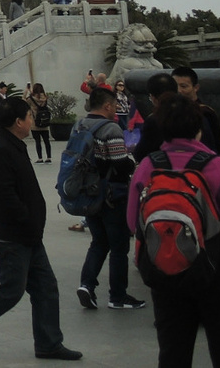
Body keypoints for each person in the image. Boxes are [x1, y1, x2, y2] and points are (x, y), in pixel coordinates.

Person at [0, 97, 82, 361]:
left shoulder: (13, 145)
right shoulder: (0, 150)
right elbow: (5, 197)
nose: (32, 120)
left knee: (45, 287)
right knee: (11, 290)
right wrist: (27, 217)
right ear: (18, 122)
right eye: (29, 116)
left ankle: (48, 343)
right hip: (12, 235)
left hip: (28, 234)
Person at [126, 92, 220, 366]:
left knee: (173, 352)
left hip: (165, 270)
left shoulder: (147, 167)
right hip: (217, 271)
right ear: (199, 128)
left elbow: (133, 223)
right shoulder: (219, 167)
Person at [72, 86, 145, 311]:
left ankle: (86, 285)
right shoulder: (110, 128)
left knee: (98, 242)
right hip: (112, 196)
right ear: (107, 106)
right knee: (119, 247)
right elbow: (120, 164)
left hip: (89, 195)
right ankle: (117, 296)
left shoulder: (79, 125)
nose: (116, 109)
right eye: (114, 105)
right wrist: (133, 162)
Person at [172, 66, 220, 163]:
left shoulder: (202, 113)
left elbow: (208, 146)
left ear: (196, 88)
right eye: (175, 86)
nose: (179, 91)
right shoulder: (169, 112)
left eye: (184, 86)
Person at [29, 85, 53, 163]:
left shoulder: (31, 99)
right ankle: (49, 157)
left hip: (35, 123)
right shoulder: (45, 97)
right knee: (47, 141)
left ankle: (40, 158)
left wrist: (27, 91)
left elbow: (23, 101)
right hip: (44, 122)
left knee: (37, 141)